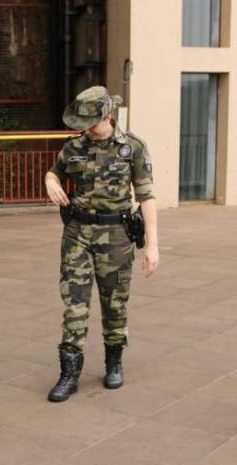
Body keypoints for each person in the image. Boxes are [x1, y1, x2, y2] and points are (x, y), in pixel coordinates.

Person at [44, 86, 159, 402]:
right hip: (77, 234)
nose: (87, 129)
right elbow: (54, 172)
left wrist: (152, 245)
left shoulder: (132, 148)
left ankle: (114, 363)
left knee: (114, 304)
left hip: (116, 236)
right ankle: (69, 375)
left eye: (92, 122)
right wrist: (50, 181)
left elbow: (146, 196)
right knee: (74, 304)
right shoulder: (74, 146)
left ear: (108, 115)